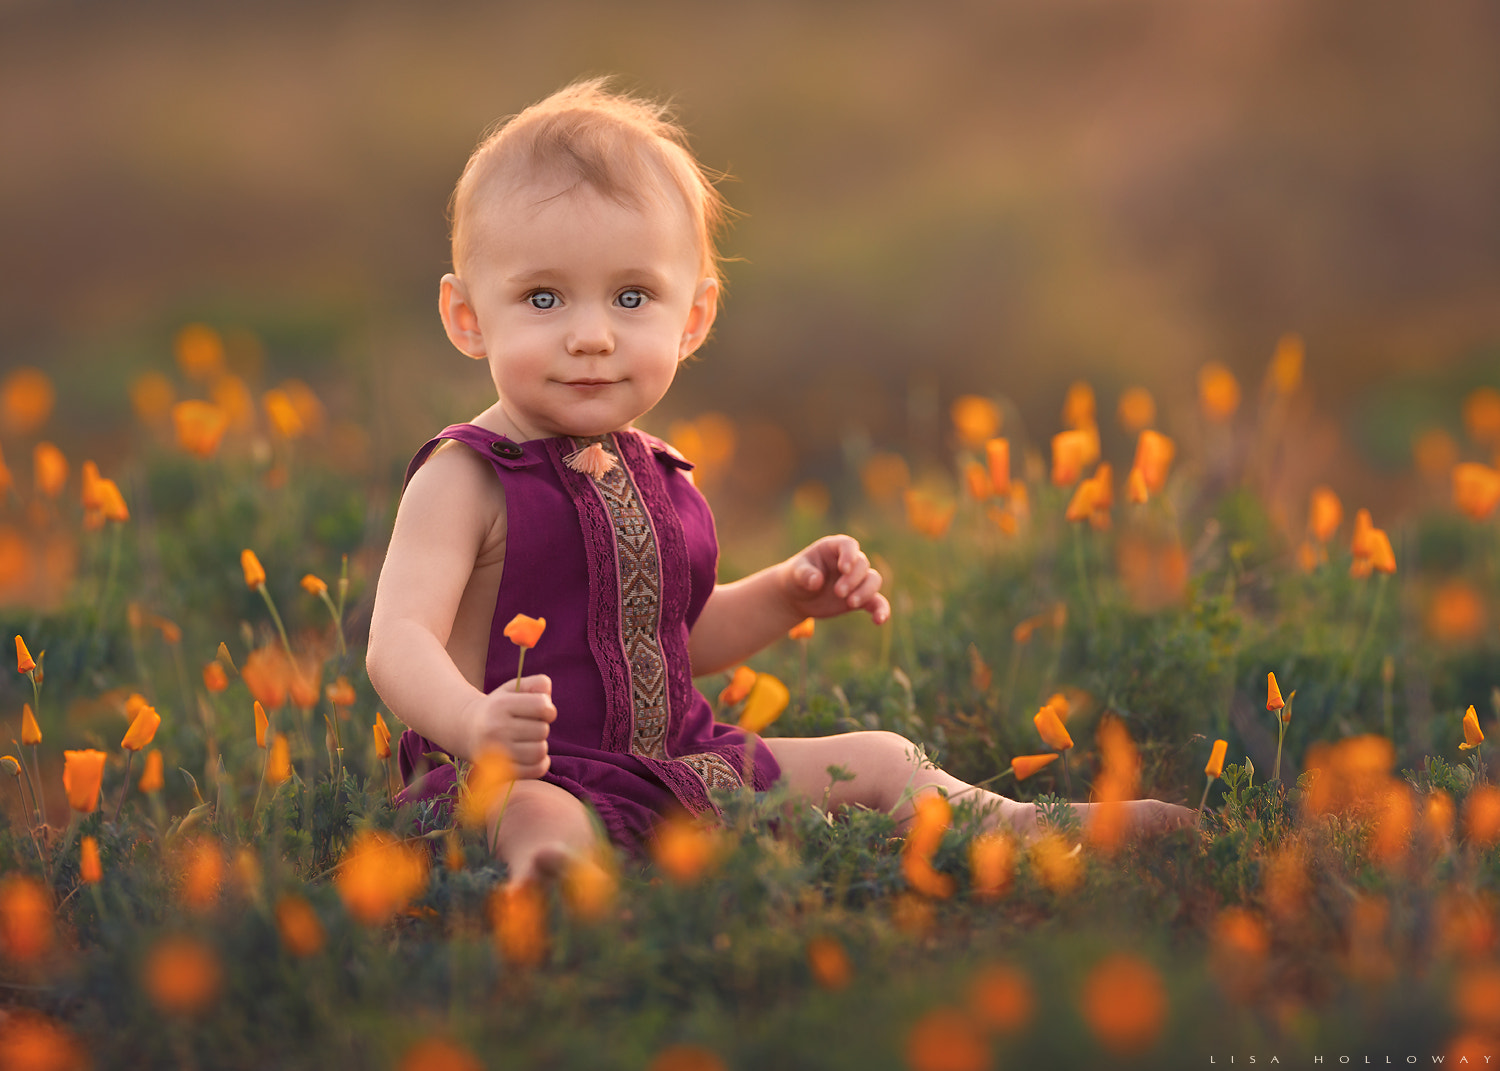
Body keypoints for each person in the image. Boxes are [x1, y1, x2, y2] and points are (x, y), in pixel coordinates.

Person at [365, 78, 1189, 886]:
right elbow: (397, 642)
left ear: (693, 319)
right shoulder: (466, 476)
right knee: (540, 813)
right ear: (468, 317)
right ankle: (551, 883)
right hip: (514, 775)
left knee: (883, 755)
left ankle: (1022, 824)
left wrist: (788, 596)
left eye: (631, 296)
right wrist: (475, 723)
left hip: (677, 766)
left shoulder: (657, 473)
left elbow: (673, 638)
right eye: (543, 298)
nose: (590, 336)